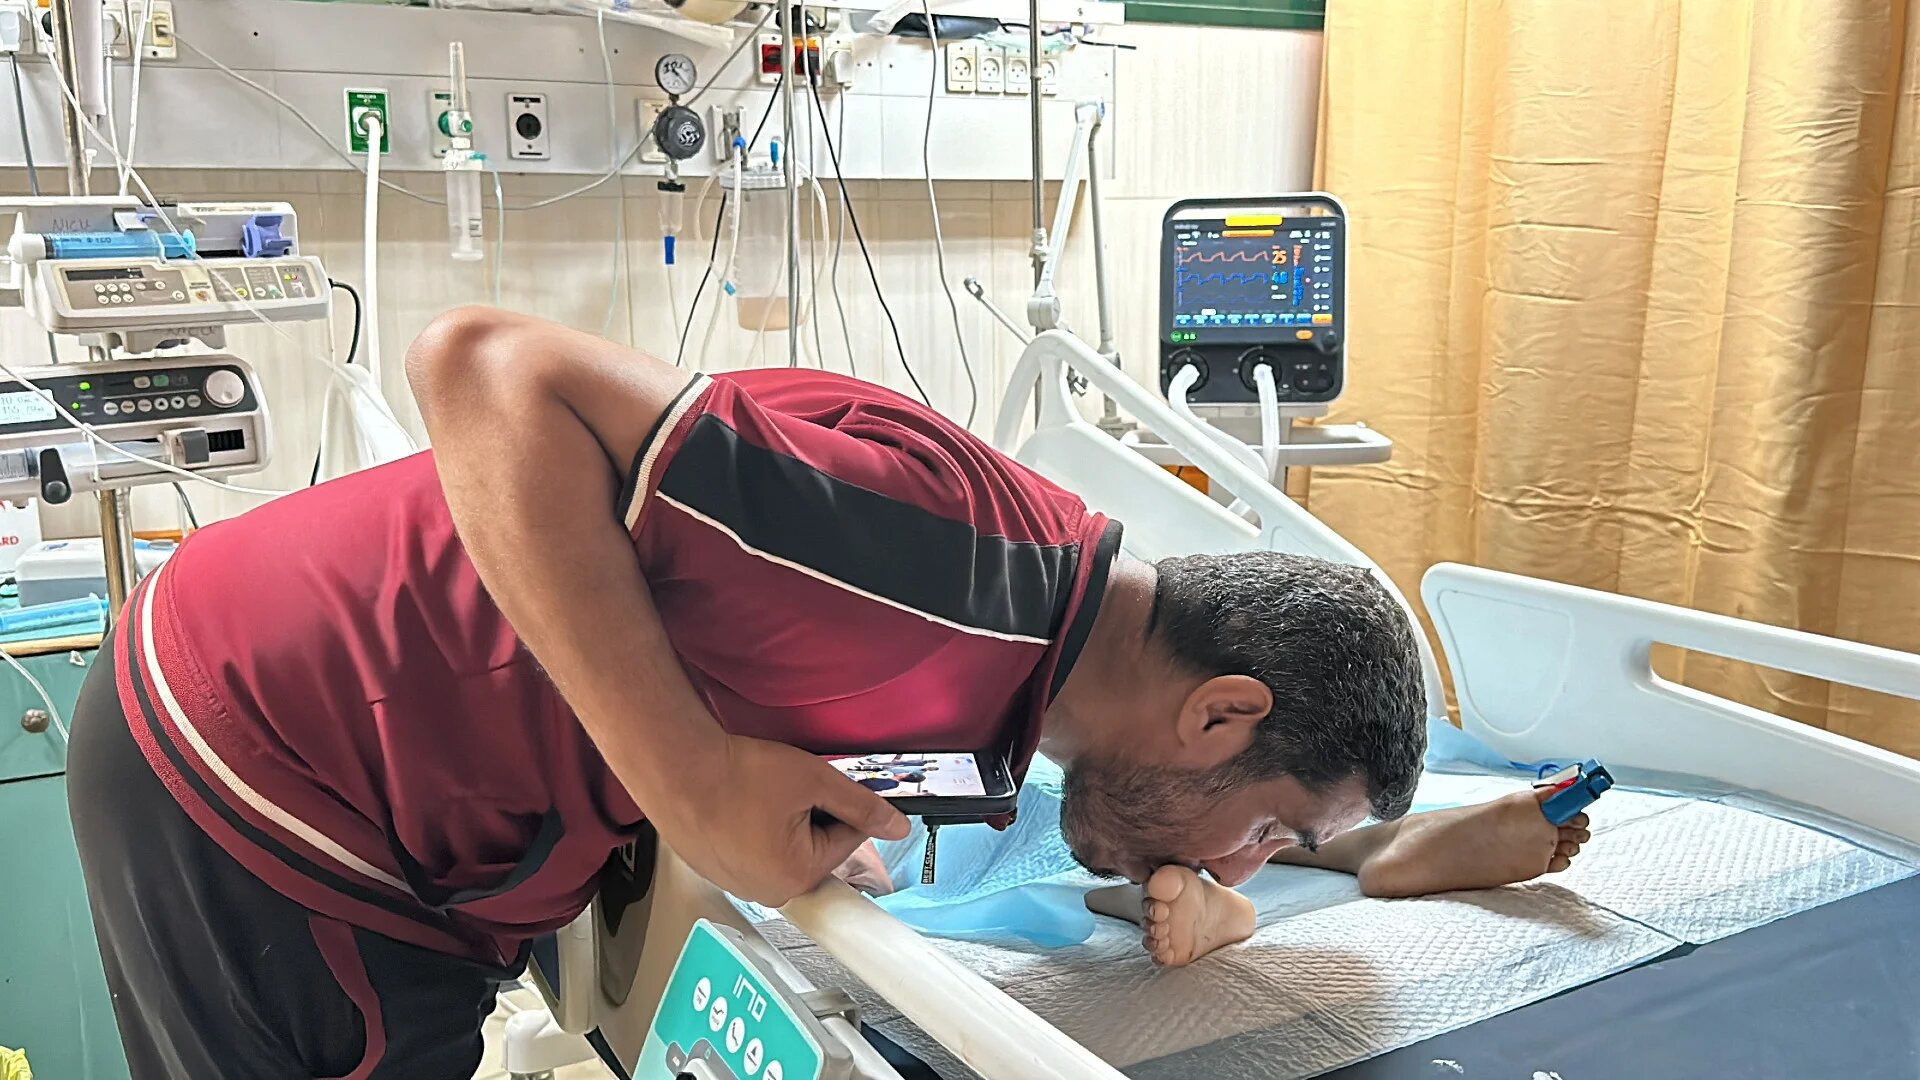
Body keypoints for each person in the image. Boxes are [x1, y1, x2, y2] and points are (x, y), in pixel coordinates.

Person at [66, 309, 1581, 1077]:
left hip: (379, 804)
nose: (1238, 860)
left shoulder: (1028, 681)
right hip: (268, 765)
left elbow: (757, 669)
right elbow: (485, 367)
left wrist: (1377, 848)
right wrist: (692, 787)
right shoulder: (948, 568)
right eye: (1263, 829)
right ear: (1216, 715)